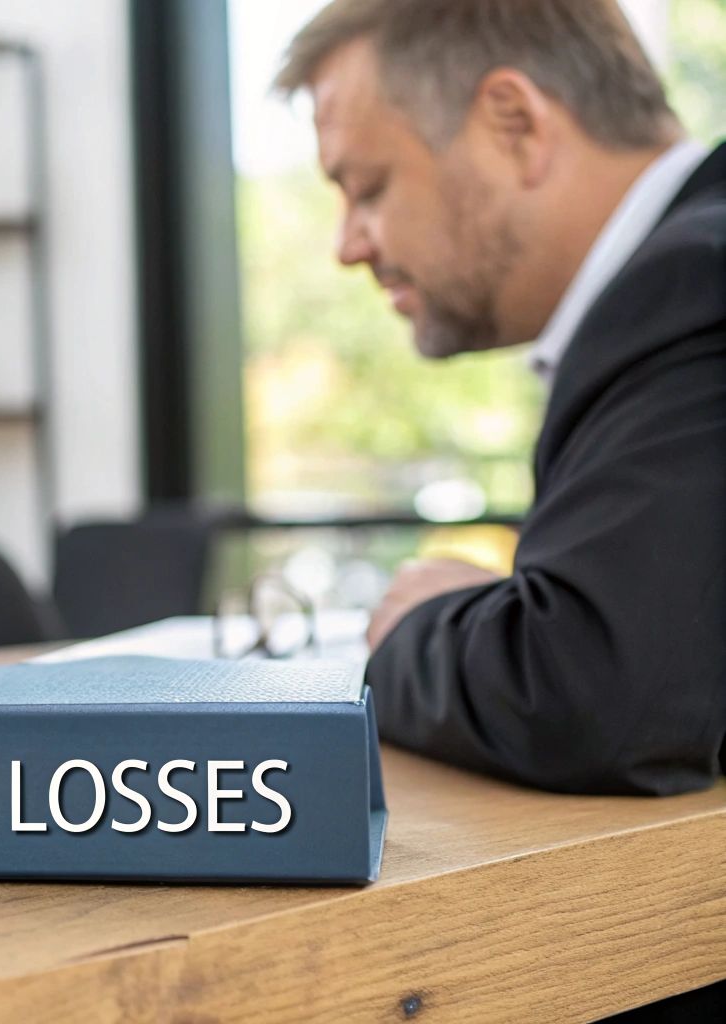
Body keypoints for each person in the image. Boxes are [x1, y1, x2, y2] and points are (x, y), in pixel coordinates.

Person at [274, 0, 726, 796]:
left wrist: (418, 626)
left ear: (514, 124)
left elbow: (601, 697)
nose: (348, 246)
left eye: (368, 188)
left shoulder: (690, 289)